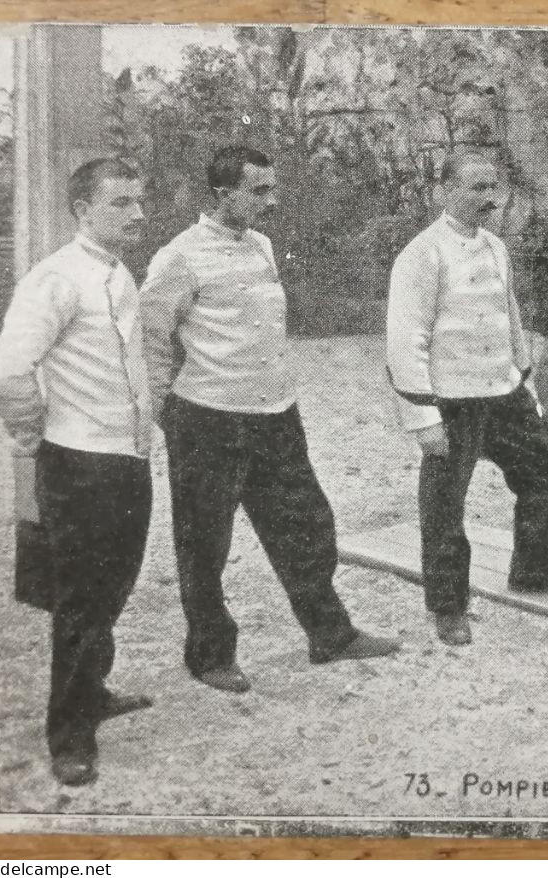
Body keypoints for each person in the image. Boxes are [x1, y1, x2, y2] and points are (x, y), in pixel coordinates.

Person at [142, 145, 398, 694]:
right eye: (258, 191)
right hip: (207, 418)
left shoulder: (261, 245)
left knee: (309, 525)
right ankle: (209, 656)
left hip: (275, 413)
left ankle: (329, 635)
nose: (271, 200)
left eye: (271, 188)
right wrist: (163, 408)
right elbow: (150, 338)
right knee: (204, 543)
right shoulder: (178, 257)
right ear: (222, 195)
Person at [0, 158, 156, 785]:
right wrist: (36, 438)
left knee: (113, 587)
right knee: (82, 601)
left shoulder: (118, 270)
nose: (138, 213)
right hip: (79, 465)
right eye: (120, 203)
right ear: (82, 210)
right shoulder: (53, 279)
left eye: (140, 200)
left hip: (126, 458)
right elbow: (5, 376)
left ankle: (95, 692)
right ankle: (70, 735)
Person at [386, 149, 548, 648]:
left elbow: (509, 318)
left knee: (543, 473)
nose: (487, 198)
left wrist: (526, 383)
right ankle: (449, 606)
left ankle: (531, 571)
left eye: (492, 187)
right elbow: (405, 339)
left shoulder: (496, 247)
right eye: (475, 188)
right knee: (445, 505)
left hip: (503, 392)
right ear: (445, 191)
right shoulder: (421, 254)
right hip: (453, 400)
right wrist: (422, 417)